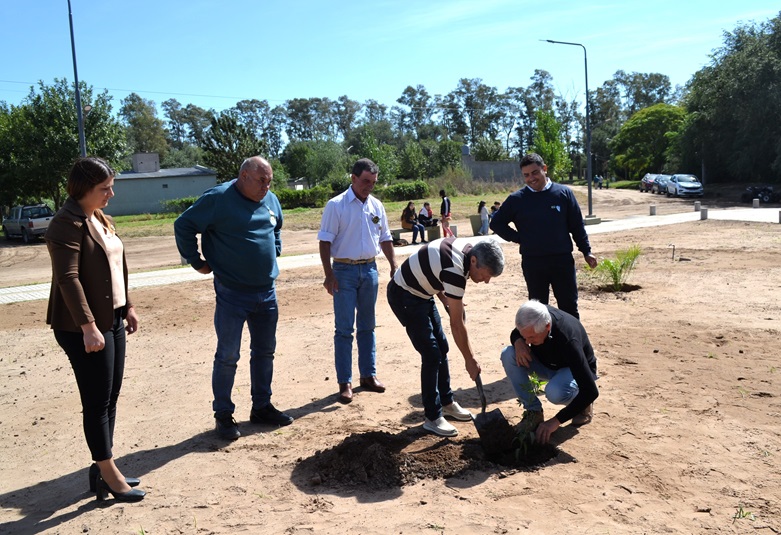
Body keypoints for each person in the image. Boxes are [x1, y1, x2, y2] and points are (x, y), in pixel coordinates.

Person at [44, 157, 145, 502]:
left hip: (112, 319)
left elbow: (117, 267)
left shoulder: (100, 218)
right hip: (81, 327)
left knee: (110, 396)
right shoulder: (65, 224)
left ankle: (103, 467)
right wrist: (88, 326)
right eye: (104, 189)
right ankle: (108, 471)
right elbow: (68, 278)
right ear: (83, 188)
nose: (111, 194)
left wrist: (127, 305)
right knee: (97, 401)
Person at [174, 156, 293, 441]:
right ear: (244, 177)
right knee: (228, 356)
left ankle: (262, 407)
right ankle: (224, 415)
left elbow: (276, 227)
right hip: (232, 293)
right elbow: (184, 225)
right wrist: (196, 261)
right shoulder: (218, 198)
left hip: (266, 292)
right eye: (262, 180)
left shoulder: (271, 199)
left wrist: (274, 249)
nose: (267, 186)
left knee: (265, 352)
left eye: (269, 181)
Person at [387, 238, 505, 437]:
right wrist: (470, 360)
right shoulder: (456, 271)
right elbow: (457, 325)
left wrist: (445, 298)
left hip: (425, 293)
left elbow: (436, 267)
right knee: (432, 354)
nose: (486, 280)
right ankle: (432, 418)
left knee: (442, 347)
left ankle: (447, 403)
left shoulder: (465, 251)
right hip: (405, 295)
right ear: (474, 260)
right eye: (487, 275)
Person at [318, 158, 398, 404]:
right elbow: (325, 241)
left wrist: (394, 264)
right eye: (365, 181)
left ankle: (368, 375)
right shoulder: (336, 205)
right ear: (353, 178)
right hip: (343, 271)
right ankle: (345, 382)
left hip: (370, 271)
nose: (369, 186)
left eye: (373, 182)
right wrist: (328, 274)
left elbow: (385, 237)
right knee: (344, 329)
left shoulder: (376, 206)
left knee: (368, 326)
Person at [490, 152, 597, 319]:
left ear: (544, 169)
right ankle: (543, 345)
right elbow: (496, 223)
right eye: (526, 175)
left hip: (562, 261)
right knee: (538, 311)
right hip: (534, 264)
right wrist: (519, 238)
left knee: (569, 308)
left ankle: (572, 345)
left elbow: (576, 225)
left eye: (535, 173)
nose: (531, 178)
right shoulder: (517, 199)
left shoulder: (563, 194)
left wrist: (586, 251)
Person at [500, 300, 598, 445]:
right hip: (546, 364)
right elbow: (517, 334)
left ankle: (582, 406)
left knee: (555, 392)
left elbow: (591, 392)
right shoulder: (534, 316)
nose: (528, 341)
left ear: (547, 326)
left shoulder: (568, 339)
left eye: (531, 338)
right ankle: (533, 412)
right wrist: (518, 342)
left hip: (571, 369)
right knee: (509, 354)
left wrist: (556, 421)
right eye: (525, 336)